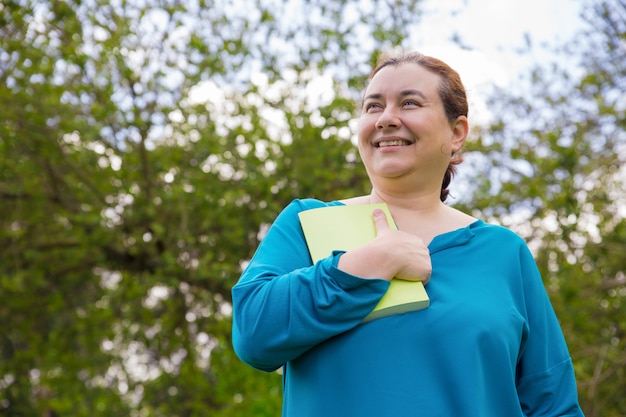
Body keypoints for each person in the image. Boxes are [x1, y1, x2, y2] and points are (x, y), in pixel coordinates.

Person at [231, 51, 585, 417]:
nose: (386, 119)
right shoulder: (307, 223)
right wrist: (368, 264)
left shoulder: (504, 253)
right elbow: (254, 335)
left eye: (409, 103)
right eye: (373, 106)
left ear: (457, 133)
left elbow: (552, 404)